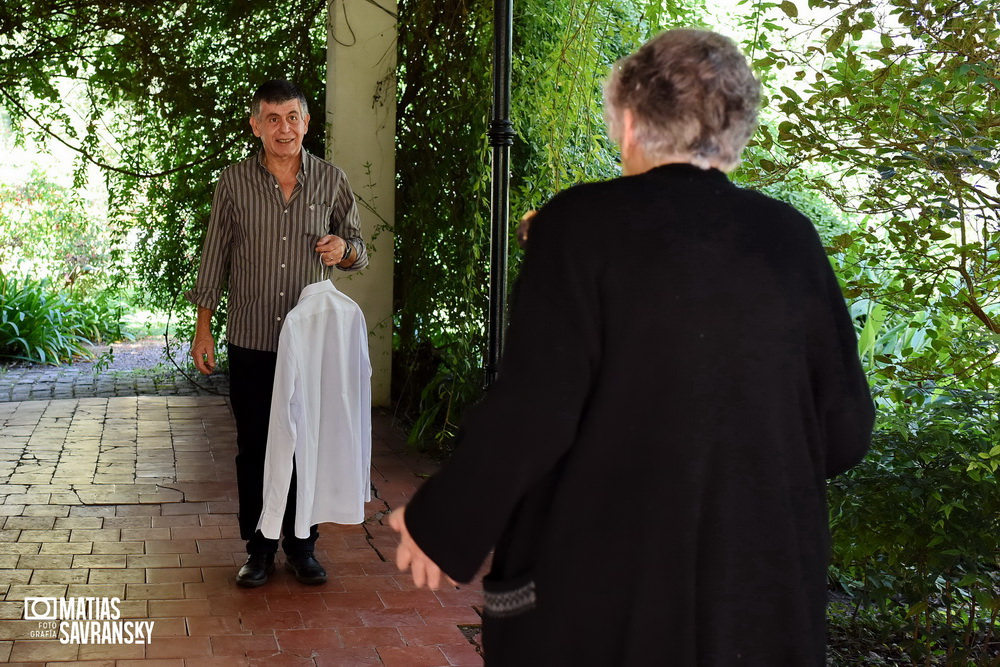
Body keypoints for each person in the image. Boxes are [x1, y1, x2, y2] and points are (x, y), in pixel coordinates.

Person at [389, 29, 874, 665]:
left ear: (629, 121)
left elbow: (536, 408)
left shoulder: (577, 225)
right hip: (761, 603)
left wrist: (443, 525)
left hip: (603, 602)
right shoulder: (791, 238)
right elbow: (846, 430)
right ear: (735, 132)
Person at [187, 79, 368, 588]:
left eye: (292, 117)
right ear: (256, 125)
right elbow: (214, 257)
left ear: (306, 123)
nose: (283, 128)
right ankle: (259, 549)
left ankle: (303, 546)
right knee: (256, 444)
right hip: (251, 337)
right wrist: (203, 329)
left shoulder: (331, 180)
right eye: (272, 118)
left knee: (306, 441)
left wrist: (343, 251)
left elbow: (358, 248)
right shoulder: (234, 182)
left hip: (311, 345)